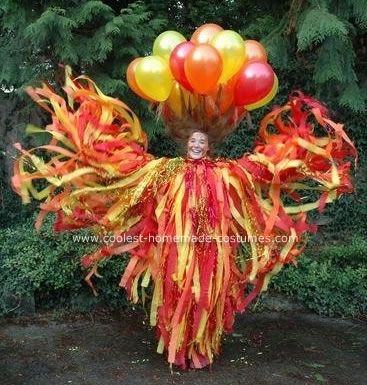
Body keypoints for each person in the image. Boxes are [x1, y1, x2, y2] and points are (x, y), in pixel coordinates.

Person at [12, 71, 356, 369]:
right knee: (177, 295)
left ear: (208, 145)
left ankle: (202, 349)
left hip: (213, 250)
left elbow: (260, 168)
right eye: (192, 140)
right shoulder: (167, 171)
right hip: (175, 249)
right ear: (185, 143)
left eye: (201, 141)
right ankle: (177, 349)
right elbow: (132, 171)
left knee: (208, 296)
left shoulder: (227, 172)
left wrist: (292, 153)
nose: (195, 145)